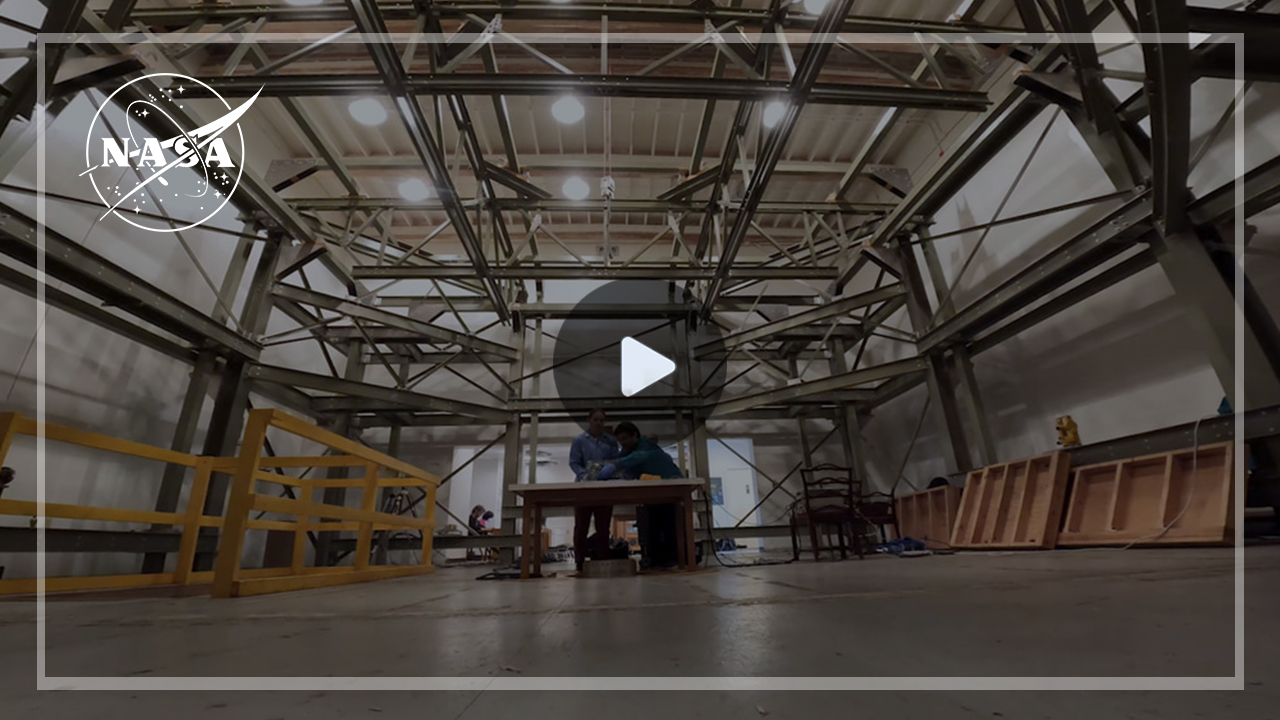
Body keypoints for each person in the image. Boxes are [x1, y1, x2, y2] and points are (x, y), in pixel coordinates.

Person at [604, 422, 684, 569]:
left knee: (668, 525)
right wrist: (607, 465)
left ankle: (671, 559)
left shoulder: (646, 445)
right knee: (651, 525)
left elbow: (632, 460)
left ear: (635, 436)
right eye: (620, 440)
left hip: (670, 489)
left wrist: (613, 466)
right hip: (653, 492)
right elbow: (621, 458)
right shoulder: (630, 449)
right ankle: (654, 559)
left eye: (625, 438)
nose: (623, 443)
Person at [569, 409, 620, 572]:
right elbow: (574, 462)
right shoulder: (579, 440)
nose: (599, 423)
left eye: (601, 420)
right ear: (589, 420)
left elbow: (615, 462)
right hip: (584, 487)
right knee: (581, 525)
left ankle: (603, 557)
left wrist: (607, 472)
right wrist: (587, 475)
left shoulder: (611, 442)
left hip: (604, 488)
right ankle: (580, 560)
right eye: (596, 420)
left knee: (603, 526)